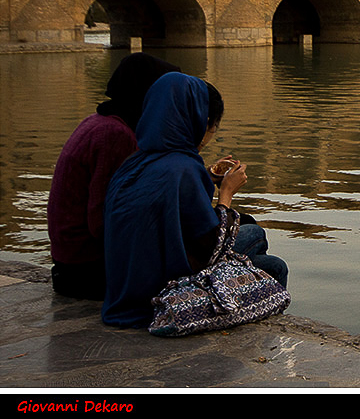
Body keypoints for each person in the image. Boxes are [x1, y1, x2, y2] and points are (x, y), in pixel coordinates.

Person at [102, 73, 287, 328]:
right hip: (163, 297)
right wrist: (227, 193)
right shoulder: (184, 168)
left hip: (123, 292)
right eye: (212, 125)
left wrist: (207, 177)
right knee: (266, 253)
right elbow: (208, 250)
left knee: (251, 235)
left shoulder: (135, 163)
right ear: (201, 121)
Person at [47, 53, 181, 300]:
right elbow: (104, 222)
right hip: (88, 271)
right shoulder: (115, 135)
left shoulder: (98, 122)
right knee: (247, 240)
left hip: (71, 263)